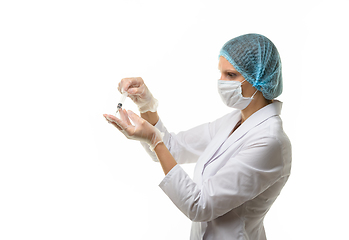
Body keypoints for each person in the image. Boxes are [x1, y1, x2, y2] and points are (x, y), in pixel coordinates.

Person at [104, 33, 292, 240]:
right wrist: (146, 104)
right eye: (220, 73)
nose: (221, 82)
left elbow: (200, 206)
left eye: (230, 75)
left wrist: (154, 140)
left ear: (259, 78)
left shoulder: (270, 141)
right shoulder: (234, 121)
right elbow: (173, 149)